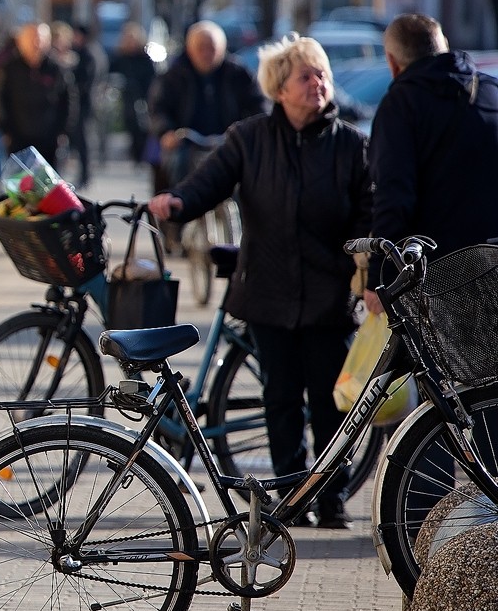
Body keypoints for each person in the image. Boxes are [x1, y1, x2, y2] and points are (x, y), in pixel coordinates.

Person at [147, 34, 371, 528]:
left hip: (327, 296)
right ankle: (290, 497)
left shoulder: (351, 146)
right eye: (306, 76)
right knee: (282, 401)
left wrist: (360, 268)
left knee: (331, 405)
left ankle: (331, 497)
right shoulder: (250, 138)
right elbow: (211, 181)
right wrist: (178, 203)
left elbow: (366, 214)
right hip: (268, 290)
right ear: (280, 87)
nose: (318, 84)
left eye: (323, 75)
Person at [365, 13, 498, 313]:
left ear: (392, 61)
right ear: (445, 46)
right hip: (493, 268)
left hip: (438, 278)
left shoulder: (401, 105)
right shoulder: (491, 91)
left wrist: (379, 279)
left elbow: (393, 196)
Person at [148, 20, 266, 188]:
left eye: (212, 48)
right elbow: (158, 109)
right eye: (200, 48)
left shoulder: (238, 74)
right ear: (189, 49)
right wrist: (166, 132)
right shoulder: (173, 76)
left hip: (230, 139)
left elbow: (258, 105)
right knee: (177, 169)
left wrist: (254, 131)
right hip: (187, 141)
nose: (206, 54)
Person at [0, 21, 72, 169]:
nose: (36, 44)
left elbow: (68, 101)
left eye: (40, 39)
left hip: (49, 138)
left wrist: (63, 131)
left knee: (49, 186)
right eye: (31, 39)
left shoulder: (56, 69)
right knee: (22, 185)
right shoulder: (9, 68)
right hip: (17, 137)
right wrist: (5, 130)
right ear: (20, 42)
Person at [110, 21, 158, 165]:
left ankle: (140, 155)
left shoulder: (145, 59)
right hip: (124, 99)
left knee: (141, 128)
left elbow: (151, 79)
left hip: (142, 98)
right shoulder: (119, 58)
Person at [67, 22, 108, 186]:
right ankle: (84, 175)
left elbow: (86, 81)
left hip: (85, 103)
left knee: (83, 140)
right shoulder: (88, 51)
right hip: (85, 102)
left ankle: (85, 175)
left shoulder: (89, 54)